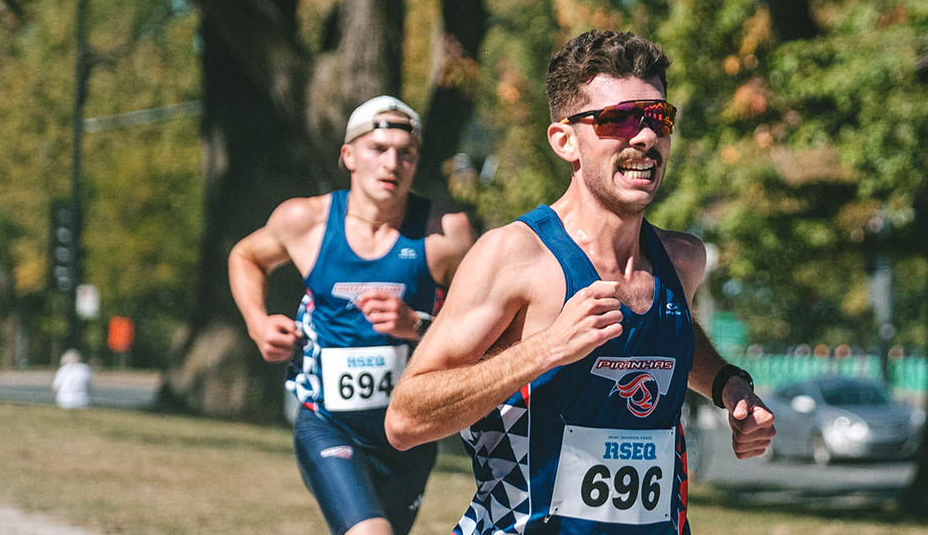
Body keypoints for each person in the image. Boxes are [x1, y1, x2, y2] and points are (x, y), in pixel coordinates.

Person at [385, 30, 775, 535]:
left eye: (658, 117)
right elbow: (405, 419)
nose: (645, 137)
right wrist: (546, 348)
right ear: (564, 140)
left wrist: (728, 385)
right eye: (618, 119)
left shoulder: (681, 261)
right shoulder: (516, 257)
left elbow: (666, 336)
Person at [228, 95, 476, 535]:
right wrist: (258, 321)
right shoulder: (306, 220)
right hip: (327, 422)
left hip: (409, 432)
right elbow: (246, 255)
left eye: (406, 153)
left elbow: (481, 328)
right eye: (378, 149)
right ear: (348, 156)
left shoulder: (446, 233)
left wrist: (417, 326)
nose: (392, 163)